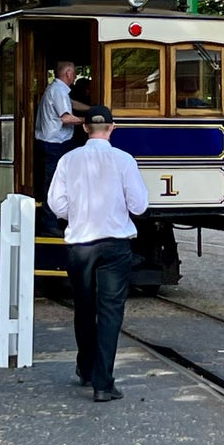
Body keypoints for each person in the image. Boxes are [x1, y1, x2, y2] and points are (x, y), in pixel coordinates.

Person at [46, 105, 149, 403]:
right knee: (110, 312)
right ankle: (103, 382)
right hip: (115, 244)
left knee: (84, 307)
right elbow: (139, 205)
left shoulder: (68, 160)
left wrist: (75, 214)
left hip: (80, 245)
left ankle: (86, 368)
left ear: (84, 128)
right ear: (113, 127)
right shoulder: (124, 160)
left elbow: (57, 203)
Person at [34, 61, 90, 235]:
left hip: (57, 143)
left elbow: (71, 103)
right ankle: (49, 223)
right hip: (55, 144)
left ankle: (60, 218)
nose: (75, 77)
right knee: (53, 182)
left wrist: (93, 109)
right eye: (74, 73)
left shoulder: (58, 90)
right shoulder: (58, 91)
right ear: (67, 74)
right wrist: (90, 121)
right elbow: (66, 118)